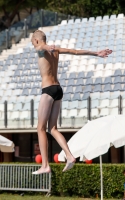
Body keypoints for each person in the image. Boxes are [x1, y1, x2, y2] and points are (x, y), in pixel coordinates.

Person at [31, 30, 112, 175]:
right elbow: (74, 51)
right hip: (58, 90)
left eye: (33, 42)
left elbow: (40, 48)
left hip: (48, 90)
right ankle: (69, 156)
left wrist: (45, 47)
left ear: (36, 41)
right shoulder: (55, 50)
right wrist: (95, 53)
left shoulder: (41, 49)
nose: (34, 45)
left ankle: (45, 165)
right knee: (53, 128)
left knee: (41, 128)